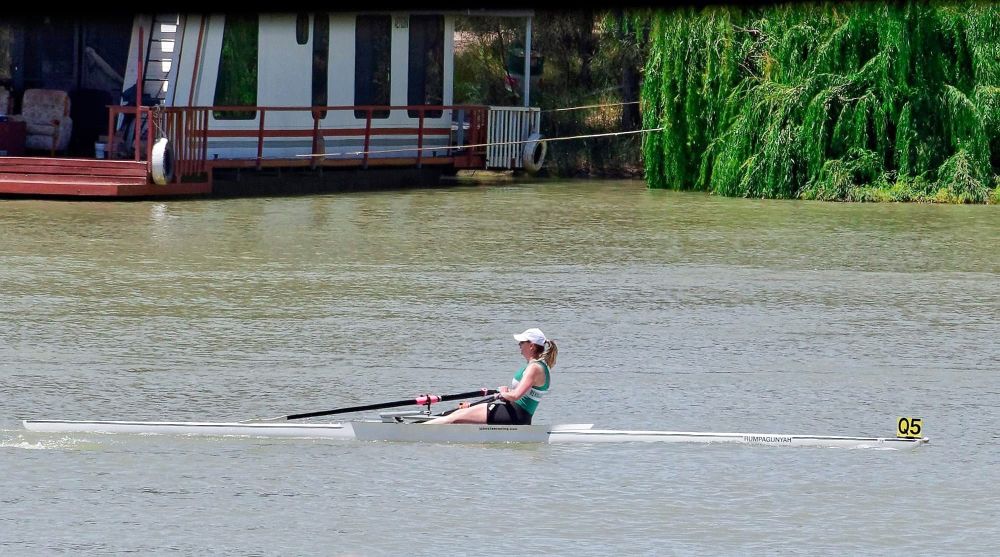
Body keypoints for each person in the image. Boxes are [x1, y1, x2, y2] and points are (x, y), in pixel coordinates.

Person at [424, 328, 556, 425]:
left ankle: (417, 430)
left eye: (521, 343)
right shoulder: (541, 366)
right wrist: (507, 393)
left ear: (531, 346)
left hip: (516, 415)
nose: (519, 346)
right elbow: (524, 395)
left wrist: (505, 393)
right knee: (458, 414)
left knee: (454, 417)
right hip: (517, 413)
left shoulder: (534, 368)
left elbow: (516, 396)